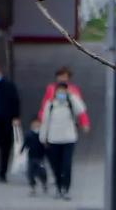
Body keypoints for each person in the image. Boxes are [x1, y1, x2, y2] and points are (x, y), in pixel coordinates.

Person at [37, 65, 89, 199]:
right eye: (60, 76)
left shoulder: (73, 94)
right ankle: (59, 186)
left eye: (65, 77)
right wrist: (43, 136)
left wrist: (84, 123)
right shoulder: (50, 98)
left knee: (66, 164)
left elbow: (81, 109)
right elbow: (44, 115)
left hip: (68, 137)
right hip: (53, 137)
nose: (62, 79)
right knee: (56, 164)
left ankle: (65, 187)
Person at [21, 119, 49, 195]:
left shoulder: (42, 135)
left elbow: (46, 146)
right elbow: (25, 143)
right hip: (31, 157)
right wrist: (22, 150)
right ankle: (32, 187)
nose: (36, 126)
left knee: (42, 171)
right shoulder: (28, 134)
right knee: (30, 172)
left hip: (40, 157)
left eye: (38, 124)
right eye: (34, 125)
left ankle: (44, 183)